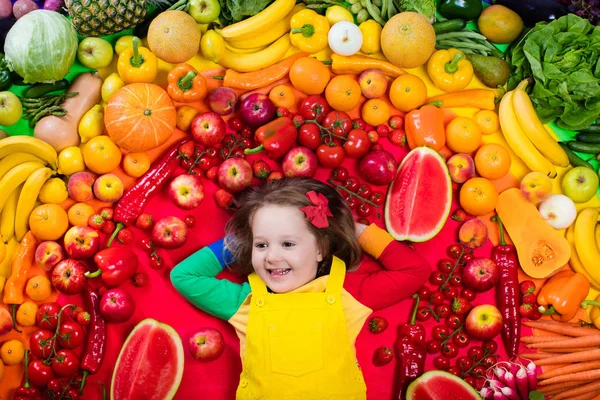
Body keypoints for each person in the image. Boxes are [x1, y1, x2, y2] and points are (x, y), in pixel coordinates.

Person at [170, 178, 430, 400]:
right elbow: (184, 276)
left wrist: (359, 232)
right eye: (262, 246)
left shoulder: (347, 294)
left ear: (320, 249)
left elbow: (415, 271)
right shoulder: (246, 300)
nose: (271, 257)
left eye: (287, 244)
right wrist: (242, 241)